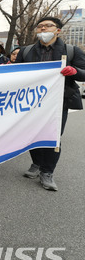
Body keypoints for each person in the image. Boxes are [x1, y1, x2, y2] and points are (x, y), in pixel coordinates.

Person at [15, 17, 85, 191]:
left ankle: (47, 172)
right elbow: (15, 74)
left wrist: (75, 71)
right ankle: (36, 163)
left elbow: (84, 74)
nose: (43, 29)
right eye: (40, 26)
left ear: (58, 30)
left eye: (48, 26)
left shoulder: (72, 51)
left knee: (53, 137)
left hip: (59, 102)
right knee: (32, 135)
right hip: (32, 102)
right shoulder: (26, 51)